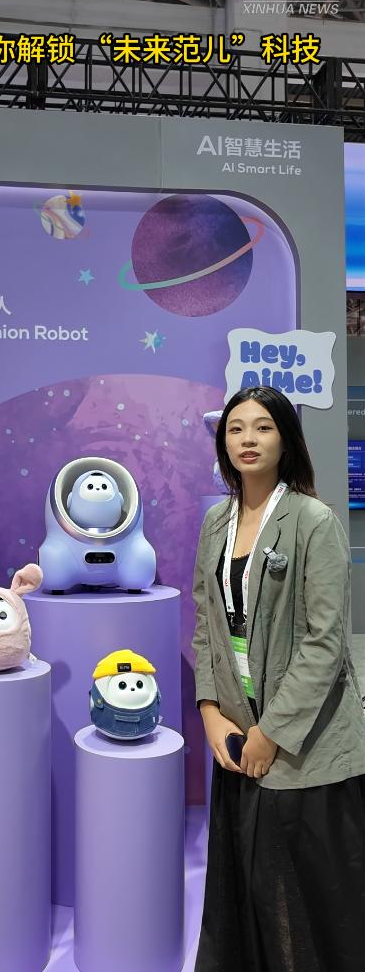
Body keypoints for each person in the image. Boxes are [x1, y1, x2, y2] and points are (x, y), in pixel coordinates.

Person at [192, 385, 365, 972]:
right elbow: (205, 621)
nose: (248, 439)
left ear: (286, 440)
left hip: (302, 744)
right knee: (249, 894)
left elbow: (325, 643)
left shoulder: (314, 521)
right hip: (238, 735)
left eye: (263, 427)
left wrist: (273, 733)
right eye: (236, 428)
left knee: (306, 902)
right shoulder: (216, 522)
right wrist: (209, 709)